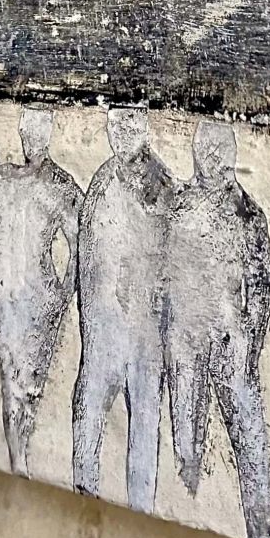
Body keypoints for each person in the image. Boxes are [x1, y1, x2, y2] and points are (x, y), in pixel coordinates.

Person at [165, 119, 270, 538]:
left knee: (248, 438)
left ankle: (260, 528)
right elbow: (164, 277)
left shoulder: (248, 214)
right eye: (206, 149)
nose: (213, 158)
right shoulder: (180, 207)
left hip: (232, 343)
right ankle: (187, 516)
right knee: (186, 438)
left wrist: (250, 346)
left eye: (221, 150)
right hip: (186, 345)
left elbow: (262, 286)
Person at [72, 106, 173, 513]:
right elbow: (86, 259)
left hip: (144, 340)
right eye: (115, 126)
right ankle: (82, 501)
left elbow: (173, 269)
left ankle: (141, 515)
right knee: (86, 416)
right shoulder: (101, 182)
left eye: (129, 125)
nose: (120, 134)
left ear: (144, 127)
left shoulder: (163, 186)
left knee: (143, 429)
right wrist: (91, 328)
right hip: (102, 337)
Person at [0, 108, 82, 475]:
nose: (29, 139)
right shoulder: (6, 178)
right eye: (26, 131)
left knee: (31, 385)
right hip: (5, 294)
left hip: (39, 296)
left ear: (47, 134)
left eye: (36, 132)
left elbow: (80, 241)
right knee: (11, 382)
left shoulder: (59, 184)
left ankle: (23, 457)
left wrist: (64, 291)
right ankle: (17, 462)